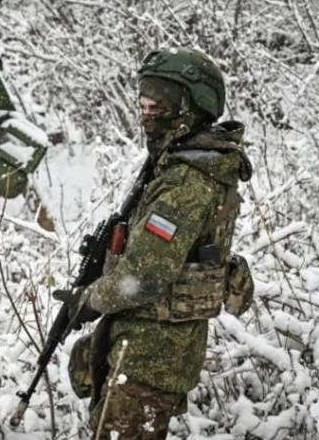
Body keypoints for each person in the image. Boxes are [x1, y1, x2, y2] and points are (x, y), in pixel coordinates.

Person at [54, 46, 255, 438]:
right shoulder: (180, 163)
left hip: (150, 358)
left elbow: (145, 276)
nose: (147, 114)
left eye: (158, 105)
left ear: (192, 107)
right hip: (144, 348)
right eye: (143, 104)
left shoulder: (186, 183)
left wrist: (89, 300)